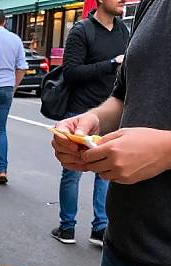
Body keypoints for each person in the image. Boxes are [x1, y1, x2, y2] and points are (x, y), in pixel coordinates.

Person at [51, 0, 171, 266]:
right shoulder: (151, 5)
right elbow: (122, 97)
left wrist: (167, 149)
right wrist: (92, 123)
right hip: (122, 259)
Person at [51, 0, 128, 246]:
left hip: (111, 113)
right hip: (81, 111)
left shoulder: (122, 30)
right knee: (73, 171)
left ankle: (100, 228)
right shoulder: (81, 30)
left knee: (106, 172)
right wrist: (111, 64)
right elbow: (71, 72)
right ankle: (67, 227)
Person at [0, 9, 27, 185]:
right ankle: (2, 169)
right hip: (6, 88)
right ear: (4, 21)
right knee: (0, 130)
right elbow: (22, 66)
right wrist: (14, 87)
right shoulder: (15, 39)